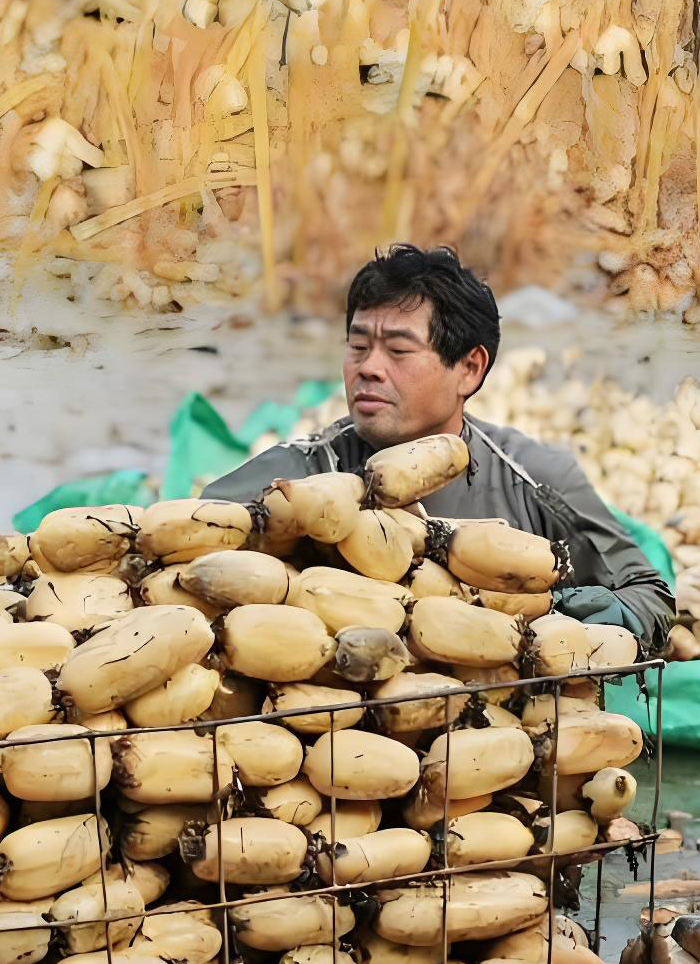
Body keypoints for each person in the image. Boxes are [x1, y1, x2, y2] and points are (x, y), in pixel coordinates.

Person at [202, 244, 672, 656]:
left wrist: (551, 614)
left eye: (398, 351)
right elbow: (180, 550)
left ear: (469, 369)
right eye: (358, 346)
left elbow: (650, 597)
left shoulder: (534, 478)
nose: (368, 368)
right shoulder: (296, 478)